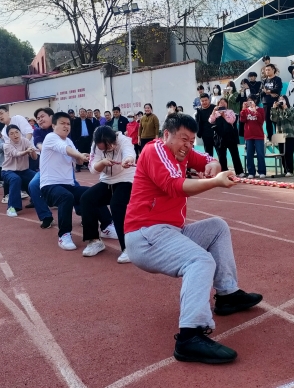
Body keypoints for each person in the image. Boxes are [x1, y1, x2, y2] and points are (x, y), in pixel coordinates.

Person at [123, 112, 263, 364]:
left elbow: (206, 158)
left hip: (169, 231)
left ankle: (228, 295)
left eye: (191, 141)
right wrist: (216, 182)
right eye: (183, 139)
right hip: (146, 235)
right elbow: (176, 186)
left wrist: (213, 166)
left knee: (217, 226)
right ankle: (190, 336)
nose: (187, 146)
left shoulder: (184, 152)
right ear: (166, 135)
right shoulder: (154, 151)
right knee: (201, 261)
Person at [39, 112, 92, 251]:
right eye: (62, 123)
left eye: (68, 124)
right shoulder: (50, 137)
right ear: (54, 125)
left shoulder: (69, 141)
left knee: (91, 193)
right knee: (66, 197)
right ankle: (64, 235)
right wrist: (79, 154)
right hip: (49, 185)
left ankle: (106, 225)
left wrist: (83, 156)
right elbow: (66, 150)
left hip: (68, 185)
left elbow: (78, 159)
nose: (66, 126)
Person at [82, 126, 136, 262]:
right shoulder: (96, 145)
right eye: (102, 149)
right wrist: (101, 163)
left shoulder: (123, 140)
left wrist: (127, 160)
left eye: (108, 146)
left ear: (113, 139)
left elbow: (130, 153)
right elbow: (93, 168)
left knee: (117, 204)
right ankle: (94, 241)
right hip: (107, 181)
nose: (106, 150)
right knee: (86, 199)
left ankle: (128, 248)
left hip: (126, 179)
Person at [27, 107, 56, 228]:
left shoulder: (59, 129)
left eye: (42, 116)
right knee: (33, 185)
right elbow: (39, 144)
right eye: (38, 118)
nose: (40, 120)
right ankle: (46, 216)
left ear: (51, 117)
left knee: (73, 187)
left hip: (63, 169)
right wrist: (44, 150)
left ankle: (81, 211)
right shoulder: (37, 131)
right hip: (46, 169)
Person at [2, 124, 37, 217]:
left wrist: (32, 151)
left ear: (20, 133)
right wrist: (26, 151)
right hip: (8, 171)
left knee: (37, 177)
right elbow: (16, 154)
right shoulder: (6, 145)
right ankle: (12, 207)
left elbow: (34, 158)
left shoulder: (25, 141)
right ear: (8, 136)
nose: (15, 135)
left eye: (17, 132)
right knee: (15, 179)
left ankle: (38, 200)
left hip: (24, 170)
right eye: (11, 133)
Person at [209, 98, 244, 177]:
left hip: (230, 136)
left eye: (224, 102)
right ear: (218, 104)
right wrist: (214, 111)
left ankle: (239, 172)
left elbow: (231, 121)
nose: (223, 104)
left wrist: (224, 115)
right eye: (221, 102)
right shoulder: (216, 112)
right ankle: (224, 172)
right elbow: (211, 121)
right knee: (221, 156)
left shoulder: (230, 112)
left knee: (235, 154)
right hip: (219, 137)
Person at [240, 96, 266, 178]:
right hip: (249, 135)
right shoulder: (246, 110)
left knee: (260, 154)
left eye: (251, 101)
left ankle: (262, 172)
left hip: (259, 135)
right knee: (249, 154)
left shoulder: (260, 110)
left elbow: (261, 121)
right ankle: (251, 172)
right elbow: (242, 120)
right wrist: (243, 109)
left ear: (255, 101)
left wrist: (255, 110)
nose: (250, 103)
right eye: (248, 101)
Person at [270, 95, 294, 176]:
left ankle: (290, 171)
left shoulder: (291, 109)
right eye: (280, 99)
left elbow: (292, 118)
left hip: (289, 134)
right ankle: (285, 170)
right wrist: (274, 108)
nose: (281, 101)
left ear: (286, 100)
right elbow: (273, 119)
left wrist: (285, 108)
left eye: (283, 99)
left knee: (289, 153)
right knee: (282, 153)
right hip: (280, 135)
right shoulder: (277, 110)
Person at [261, 64, 283, 139]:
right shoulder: (264, 81)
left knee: (277, 121)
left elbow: (277, 90)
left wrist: (267, 91)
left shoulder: (277, 79)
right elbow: (261, 92)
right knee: (268, 122)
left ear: (273, 70)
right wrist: (271, 92)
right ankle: (270, 138)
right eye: (266, 70)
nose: (267, 71)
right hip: (266, 104)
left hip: (275, 103)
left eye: (269, 70)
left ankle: (278, 139)